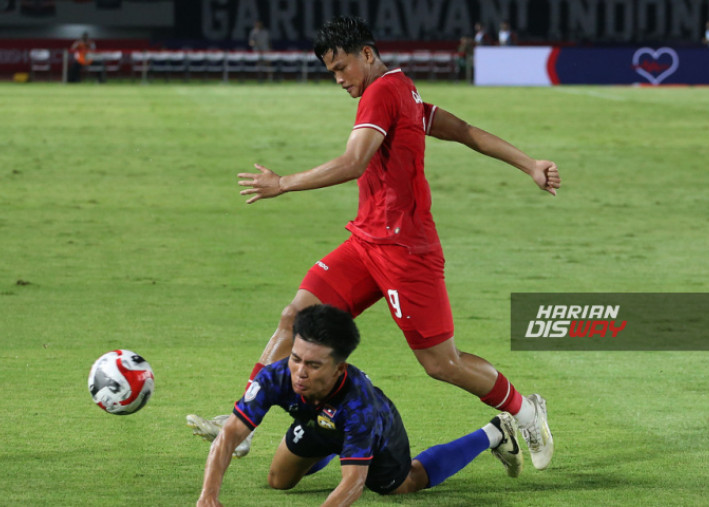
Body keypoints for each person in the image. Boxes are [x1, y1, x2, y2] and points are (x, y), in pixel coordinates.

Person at [189, 16, 559, 470]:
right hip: (367, 243)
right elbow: (461, 130)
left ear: (366, 54)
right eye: (332, 73)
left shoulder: (382, 92)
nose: (339, 80)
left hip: (407, 253)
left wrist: (283, 183)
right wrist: (528, 163)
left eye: (342, 68)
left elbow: (353, 161)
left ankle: (524, 409)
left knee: (442, 363)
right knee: (296, 316)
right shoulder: (400, 86)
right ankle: (242, 425)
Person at [195, 305, 523, 506]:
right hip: (318, 421)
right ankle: (331, 447)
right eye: (295, 359)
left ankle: (493, 433)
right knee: (279, 481)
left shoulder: (360, 406)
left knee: (403, 484)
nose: (299, 372)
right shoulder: (277, 377)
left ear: (339, 368)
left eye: (312, 365)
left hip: (376, 432)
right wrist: (207, 495)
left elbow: (352, 484)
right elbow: (229, 434)